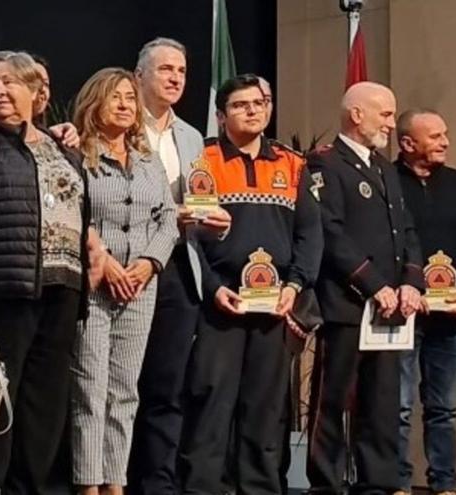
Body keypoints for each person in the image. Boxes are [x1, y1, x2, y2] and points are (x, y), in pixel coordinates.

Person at [0, 50, 99, 494]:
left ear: (37, 93)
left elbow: (80, 217)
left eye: (10, 82)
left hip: (62, 292)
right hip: (2, 290)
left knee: (44, 411)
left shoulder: (62, 148)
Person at [178, 74, 322, 494]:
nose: (253, 110)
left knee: (266, 406)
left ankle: (260, 488)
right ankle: (205, 487)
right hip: (219, 302)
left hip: (275, 304)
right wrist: (211, 287)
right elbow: (186, 238)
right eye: (241, 105)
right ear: (221, 116)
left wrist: (294, 288)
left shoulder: (292, 163)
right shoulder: (200, 160)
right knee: (211, 401)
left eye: (259, 103)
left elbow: (309, 235)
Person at [305, 81, 424, 495]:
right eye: (385, 114)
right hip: (347, 304)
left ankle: (378, 482)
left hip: (390, 307)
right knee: (333, 398)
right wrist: (373, 283)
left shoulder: (384, 166)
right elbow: (330, 231)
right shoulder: (325, 164)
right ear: (357, 115)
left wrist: (411, 282)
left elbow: (405, 229)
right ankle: (327, 484)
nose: (392, 123)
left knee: (382, 400)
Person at [127, 37, 230, 495]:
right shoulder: (120, 125)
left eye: (182, 71)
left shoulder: (191, 137)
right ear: (139, 75)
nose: (174, 78)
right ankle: (115, 478)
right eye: (165, 69)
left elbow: (199, 199)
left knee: (168, 387)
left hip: (179, 268)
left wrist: (216, 223)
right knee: (124, 384)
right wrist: (174, 214)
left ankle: (158, 483)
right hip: (130, 266)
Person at [69, 67, 178, 495]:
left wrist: (150, 263)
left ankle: (116, 482)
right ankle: (87, 483)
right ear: (94, 102)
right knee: (89, 390)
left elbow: (167, 218)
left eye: (130, 98)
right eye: (114, 96)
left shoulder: (148, 159)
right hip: (94, 286)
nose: (124, 104)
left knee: (125, 391)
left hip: (140, 287)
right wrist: (107, 262)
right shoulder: (77, 154)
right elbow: (71, 215)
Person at [394, 109, 456, 495]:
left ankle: (445, 486)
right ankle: (398, 485)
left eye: (445, 134)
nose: (445, 142)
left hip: (451, 316)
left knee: (444, 410)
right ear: (407, 144)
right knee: (398, 409)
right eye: (434, 136)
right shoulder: (386, 182)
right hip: (400, 314)